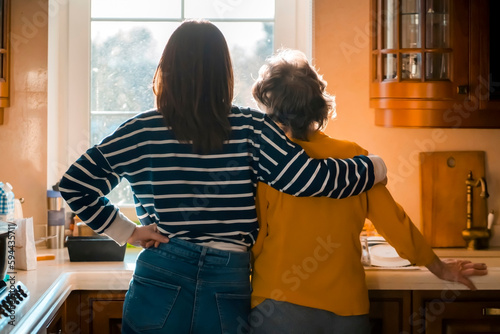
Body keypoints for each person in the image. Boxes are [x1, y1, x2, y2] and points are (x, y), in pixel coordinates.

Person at [59, 20, 388, 333]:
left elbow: (75, 184)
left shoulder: (142, 129)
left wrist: (128, 232)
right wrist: (373, 167)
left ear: (167, 69)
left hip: (161, 273)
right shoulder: (251, 129)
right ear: (224, 72)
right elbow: (311, 179)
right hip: (226, 278)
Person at [248, 49, 489, 334]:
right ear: (318, 105)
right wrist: (438, 266)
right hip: (345, 308)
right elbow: (394, 222)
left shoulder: (272, 163)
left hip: (277, 303)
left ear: (271, 108)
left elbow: (257, 236)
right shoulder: (354, 157)